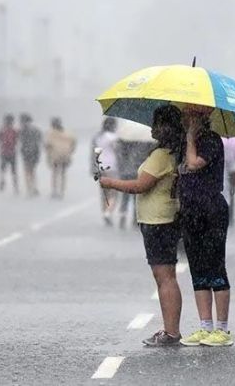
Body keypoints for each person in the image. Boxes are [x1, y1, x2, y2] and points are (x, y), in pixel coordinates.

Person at [99, 106, 185, 346]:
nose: (153, 129)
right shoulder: (173, 152)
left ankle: (171, 332)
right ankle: (170, 329)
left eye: (157, 124)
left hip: (158, 220)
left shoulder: (161, 156)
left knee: (165, 277)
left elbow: (141, 185)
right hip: (164, 218)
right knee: (165, 276)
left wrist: (110, 182)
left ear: (167, 127)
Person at [177, 104, 233, 347]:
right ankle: (204, 326)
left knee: (215, 267)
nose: (186, 120)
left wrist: (190, 138)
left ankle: (222, 329)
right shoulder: (185, 141)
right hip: (191, 212)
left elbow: (193, 164)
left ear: (201, 118)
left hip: (211, 211)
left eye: (190, 116)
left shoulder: (211, 141)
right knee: (198, 269)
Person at [92, 118, 120, 225]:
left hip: (101, 166)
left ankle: (104, 212)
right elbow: (118, 151)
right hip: (112, 166)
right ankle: (108, 212)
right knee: (114, 193)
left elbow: (96, 152)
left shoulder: (99, 137)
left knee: (104, 192)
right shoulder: (114, 138)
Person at [45, 117, 77, 199]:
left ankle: (54, 190)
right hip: (65, 156)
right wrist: (70, 152)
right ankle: (61, 191)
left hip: (55, 156)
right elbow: (73, 143)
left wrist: (48, 157)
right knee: (63, 174)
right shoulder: (68, 133)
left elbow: (47, 146)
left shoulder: (50, 133)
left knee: (55, 173)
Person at [19, 113, 42, 198]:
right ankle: (33, 187)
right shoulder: (36, 130)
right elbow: (40, 140)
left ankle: (30, 188)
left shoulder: (23, 131)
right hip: (34, 153)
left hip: (28, 153)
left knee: (28, 171)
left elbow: (21, 142)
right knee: (32, 171)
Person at [0, 114, 19, 194]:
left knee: (3, 169)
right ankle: (15, 185)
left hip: (4, 152)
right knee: (13, 171)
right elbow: (16, 141)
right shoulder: (14, 131)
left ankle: (2, 181)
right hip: (12, 153)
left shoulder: (2, 130)